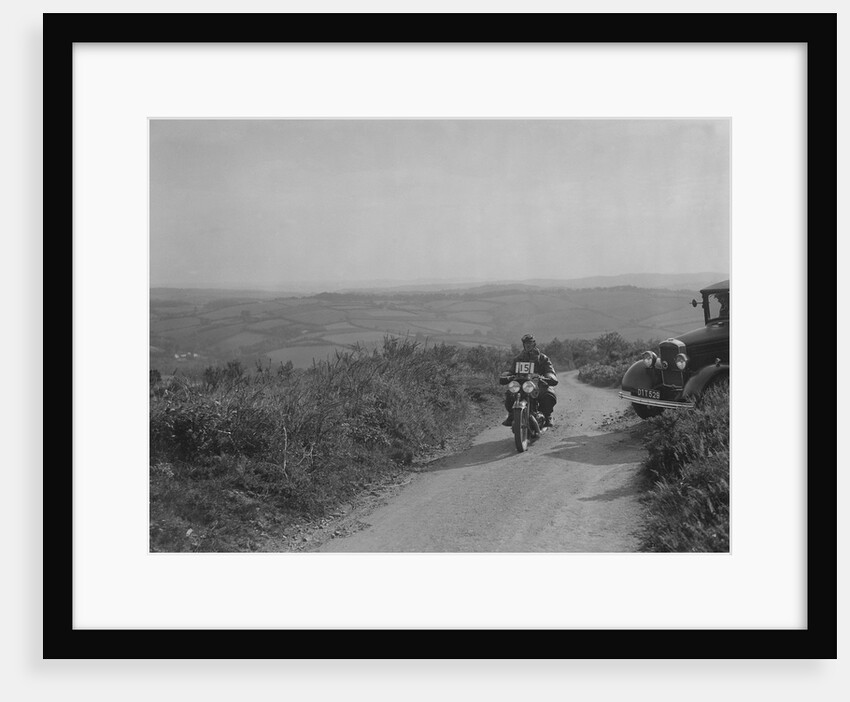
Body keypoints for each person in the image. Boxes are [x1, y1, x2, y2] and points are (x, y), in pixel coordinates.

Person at [500, 333, 559, 427]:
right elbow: (511, 371)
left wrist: (549, 377)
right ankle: (512, 415)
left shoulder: (543, 358)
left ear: (534, 344)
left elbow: (549, 370)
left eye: (530, 343)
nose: (528, 345)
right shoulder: (518, 359)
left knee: (549, 394)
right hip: (521, 384)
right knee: (510, 394)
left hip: (537, 384)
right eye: (526, 343)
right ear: (523, 345)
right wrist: (506, 376)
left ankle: (546, 416)